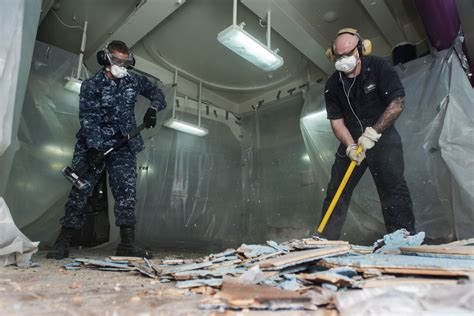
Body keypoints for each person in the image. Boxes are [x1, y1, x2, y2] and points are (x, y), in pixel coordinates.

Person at [47, 40, 166, 259]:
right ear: (106, 59)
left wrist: (152, 109)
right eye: (117, 60)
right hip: (94, 145)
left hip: (123, 145)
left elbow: (158, 95)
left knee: (126, 194)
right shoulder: (92, 85)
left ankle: (127, 244)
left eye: (125, 61)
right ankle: (62, 243)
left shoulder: (135, 81)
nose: (122, 64)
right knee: (80, 192)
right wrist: (93, 148)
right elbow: (88, 118)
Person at [319, 28, 416, 240]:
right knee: (336, 190)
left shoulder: (379, 67)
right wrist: (350, 146)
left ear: (361, 49)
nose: (343, 60)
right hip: (352, 139)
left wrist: (373, 133)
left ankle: (403, 240)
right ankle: (324, 241)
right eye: (339, 56)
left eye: (348, 54)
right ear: (332, 55)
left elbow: (397, 103)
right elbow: (337, 122)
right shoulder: (332, 85)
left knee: (392, 189)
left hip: (382, 135)